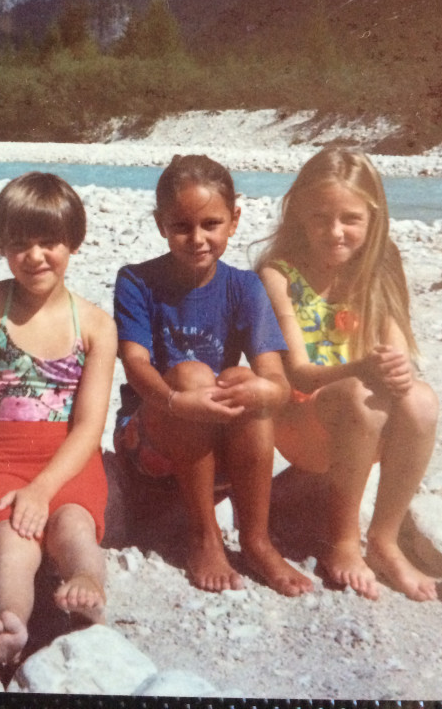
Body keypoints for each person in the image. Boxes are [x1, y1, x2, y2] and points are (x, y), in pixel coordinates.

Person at [0, 172, 116, 667]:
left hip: (69, 462)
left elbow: (91, 426)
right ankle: (11, 621)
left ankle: (88, 583)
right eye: (18, 244)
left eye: (49, 242)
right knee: (13, 542)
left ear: (73, 241)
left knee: (74, 526)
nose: (34, 256)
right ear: (1, 247)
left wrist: (44, 489)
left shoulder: (95, 325)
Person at [113, 153, 313, 597]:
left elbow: (277, 384)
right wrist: (176, 401)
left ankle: (256, 540)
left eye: (211, 224)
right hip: (150, 438)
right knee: (189, 373)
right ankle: (204, 536)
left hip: (219, 445)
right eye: (182, 226)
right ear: (160, 224)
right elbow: (135, 362)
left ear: (234, 221)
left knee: (248, 386)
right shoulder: (136, 281)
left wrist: (263, 389)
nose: (197, 238)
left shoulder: (245, 287)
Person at [256, 146, 439, 602]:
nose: (335, 232)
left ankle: (383, 540)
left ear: (373, 218)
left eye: (350, 219)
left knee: (421, 400)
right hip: (301, 422)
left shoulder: (381, 266)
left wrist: (393, 371)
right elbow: (297, 373)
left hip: (362, 418)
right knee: (359, 392)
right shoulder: (278, 274)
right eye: (320, 218)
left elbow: (396, 355)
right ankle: (342, 542)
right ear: (297, 212)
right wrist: (362, 368)